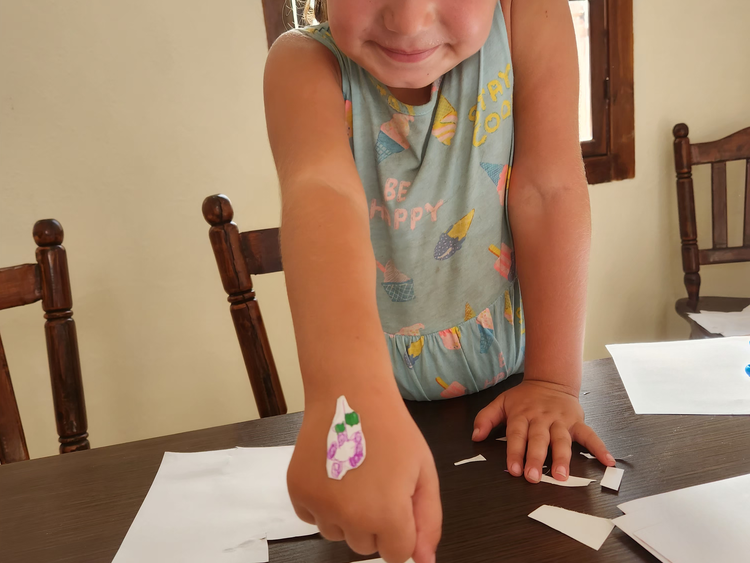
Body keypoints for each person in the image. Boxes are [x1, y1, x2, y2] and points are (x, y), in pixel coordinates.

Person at [263, 1, 615, 561]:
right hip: (377, 405)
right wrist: (347, 404)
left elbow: (550, 190)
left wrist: (554, 383)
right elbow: (322, 197)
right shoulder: (302, 64)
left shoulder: (531, 18)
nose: (407, 21)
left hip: (517, 391)